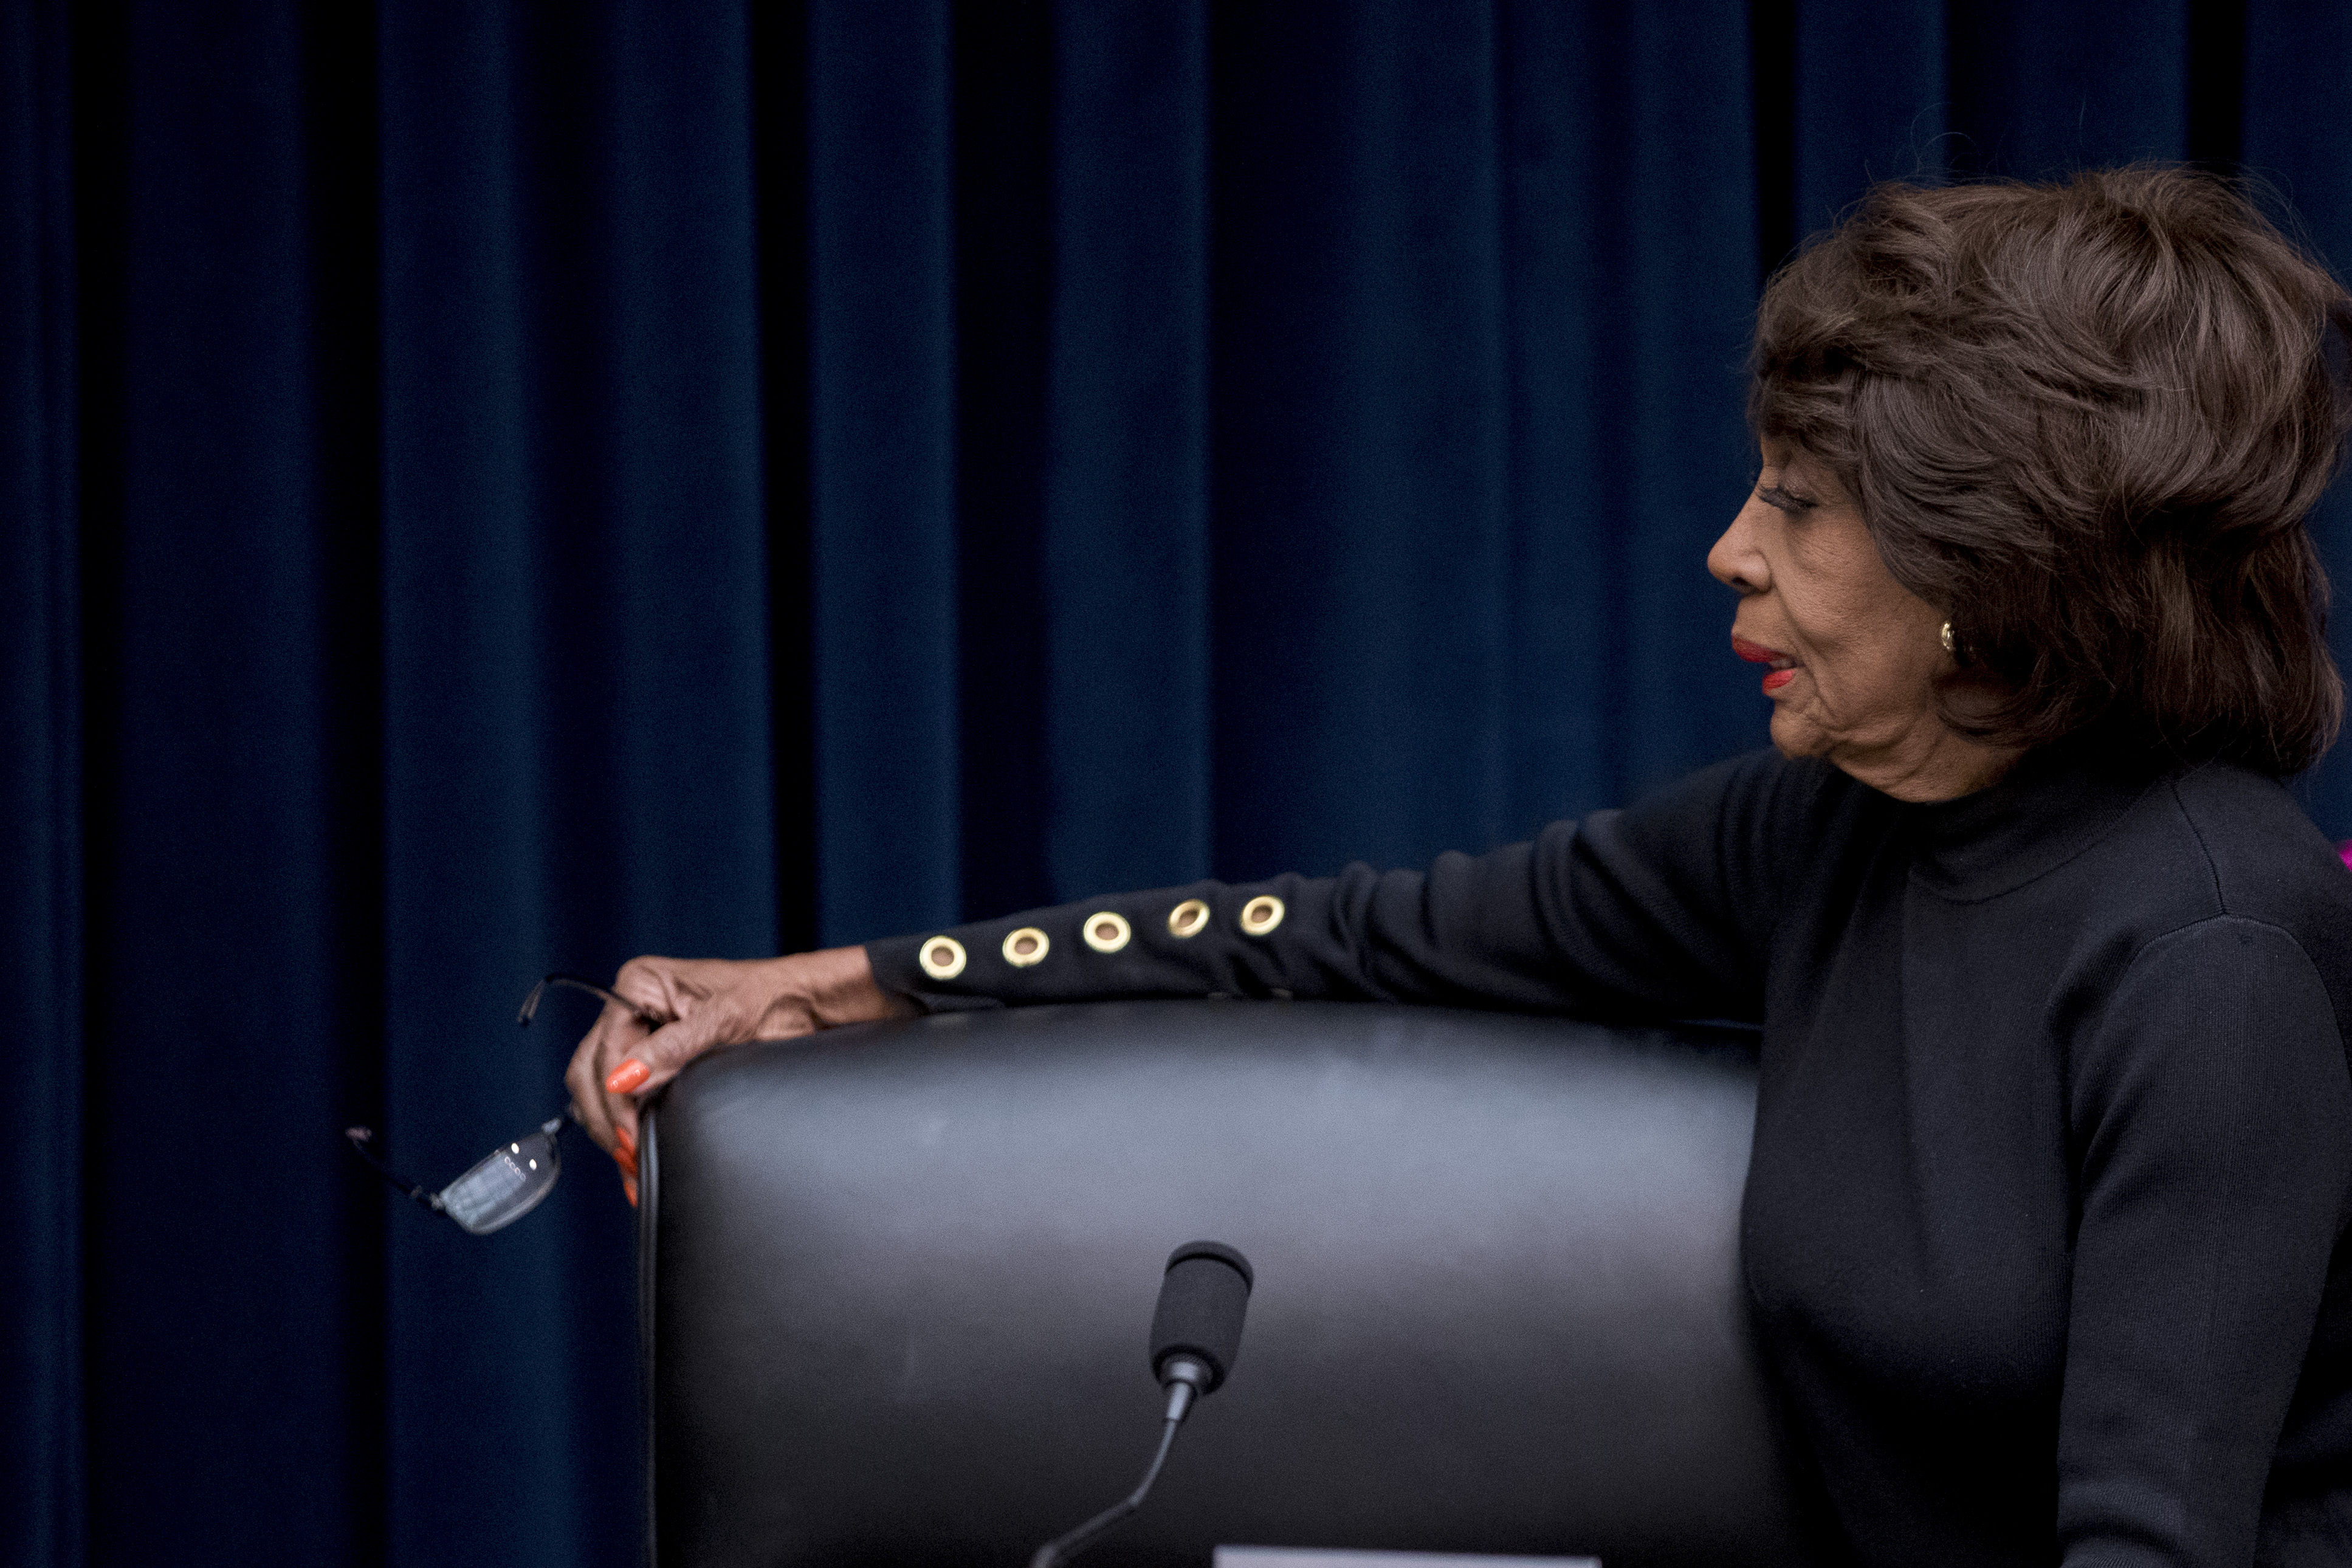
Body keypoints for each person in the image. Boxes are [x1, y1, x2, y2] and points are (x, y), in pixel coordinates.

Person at [568, 167, 2352, 1566]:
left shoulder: (2211, 958)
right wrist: (860, 982)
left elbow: (2152, 1538)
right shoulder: (1831, 832)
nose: (1728, 551)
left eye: (1800, 505)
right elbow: (1346, 937)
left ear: (1997, 571)